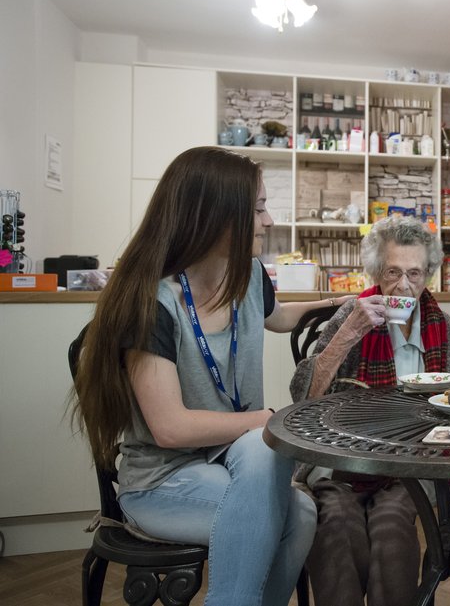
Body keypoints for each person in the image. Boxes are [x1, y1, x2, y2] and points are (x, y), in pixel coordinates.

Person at [71, 146, 345, 605]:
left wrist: (336, 306)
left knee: (269, 459)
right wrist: (270, 417)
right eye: (257, 208)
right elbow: (171, 427)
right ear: (216, 214)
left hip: (229, 459)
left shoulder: (247, 275)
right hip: (164, 480)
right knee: (293, 504)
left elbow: (277, 317)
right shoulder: (152, 306)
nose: (269, 220)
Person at [289, 215, 450, 606]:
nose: (404, 286)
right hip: (345, 459)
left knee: (391, 526)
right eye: (393, 272)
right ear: (376, 272)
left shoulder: (444, 327)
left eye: (415, 273)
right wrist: (348, 334)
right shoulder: (352, 317)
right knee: (337, 522)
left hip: (414, 462)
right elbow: (302, 397)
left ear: (428, 275)